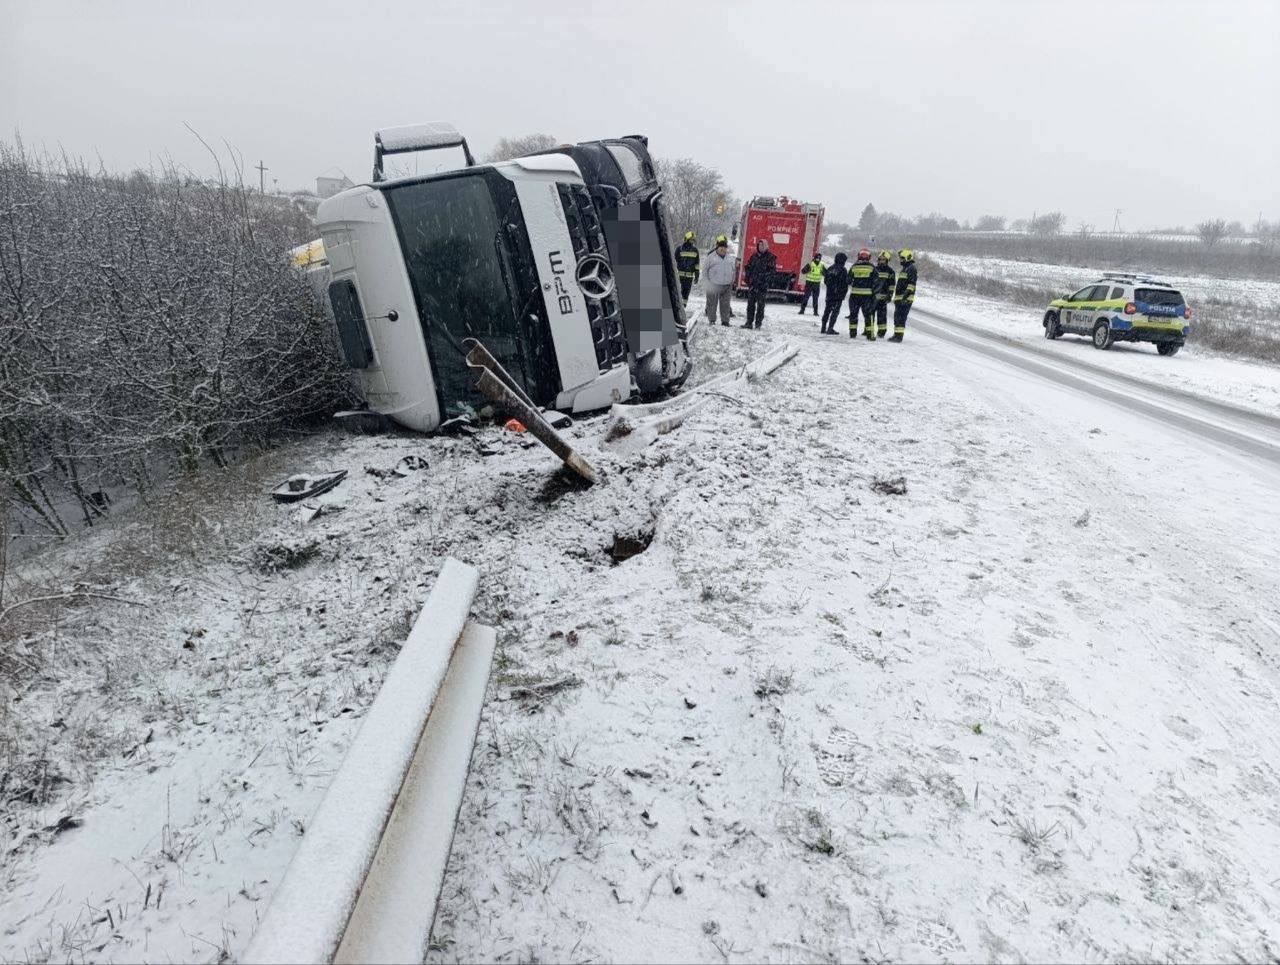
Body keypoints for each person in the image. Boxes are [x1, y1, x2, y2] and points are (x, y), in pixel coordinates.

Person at [703, 235, 736, 326]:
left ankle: (725, 321)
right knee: (712, 303)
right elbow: (705, 270)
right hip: (713, 284)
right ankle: (712, 320)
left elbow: (734, 270)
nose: (723, 249)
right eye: (721, 247)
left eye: (724, 248)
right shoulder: (711, 257)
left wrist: (732, 281)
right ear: (717, 248)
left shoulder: (730, 258)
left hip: (727, 285)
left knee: (725, 304)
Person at [743, 239, 776, 329]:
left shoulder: (770, 257)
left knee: (760, 306)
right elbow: (749, 267)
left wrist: (764, 279)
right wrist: (748, 278)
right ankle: (749, 322)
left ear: (765, 246)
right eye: (759, 245)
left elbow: (772, 272)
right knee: (750, 305)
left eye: (762, 245)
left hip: (762, 286)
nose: (760, 247)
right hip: (753, 285)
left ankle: (758, 324)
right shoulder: (754, 256)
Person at [847, 248, 877, 340]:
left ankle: (852, 334)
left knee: (853, 315)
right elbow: (876, 280)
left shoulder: (854, 266)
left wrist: (856, 283)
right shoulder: (872, 267)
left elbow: (848, 280)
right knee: (868, 316)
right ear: (869, 257)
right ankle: (870, 335)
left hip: (854, 295)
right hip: (867, 296)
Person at [891, 249, 917, 342]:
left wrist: (904, 297)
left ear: (908, 258)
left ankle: (899, 337)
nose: (901, 260)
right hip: (900, 298)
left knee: (901, 318)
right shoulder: (905, 269)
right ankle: (896, 335)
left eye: (902, 258)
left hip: (905, 299)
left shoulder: (911, 269)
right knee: (897, 317)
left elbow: (911, 285)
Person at [820, 252, 849, 334]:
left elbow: (825, 281)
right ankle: (830, 328)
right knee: (835, 312)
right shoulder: (843, 270)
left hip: (829, 294)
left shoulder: (830, 268)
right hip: (838, 295)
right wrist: (843, 293)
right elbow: (845, 283)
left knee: (827, 311)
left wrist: (831, 288)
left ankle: (823, 328)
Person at [873, 250, 896, 339]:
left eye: (883, 259)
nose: (881, 261)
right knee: (870, 315)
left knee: (882, 316)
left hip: (883, 298)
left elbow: (892, 285)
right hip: (873, 297)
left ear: (887, 261)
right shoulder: (874, 269)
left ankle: (881, 332)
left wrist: (890, 295)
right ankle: (868, 330)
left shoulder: (890, 271)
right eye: (880, 259)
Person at [676, 231, 700, 305]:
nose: (692, 241)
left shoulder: (695, 250)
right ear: (687, 239)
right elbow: (675, 261)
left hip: (689, 277)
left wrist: (697, 275)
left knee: (686, 293)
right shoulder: (679, 249)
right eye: (691, 239)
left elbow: (697, 264)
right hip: (679, 276)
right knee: (678, 292)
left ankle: (684, 306)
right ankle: (677, 305)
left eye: (693, 240)